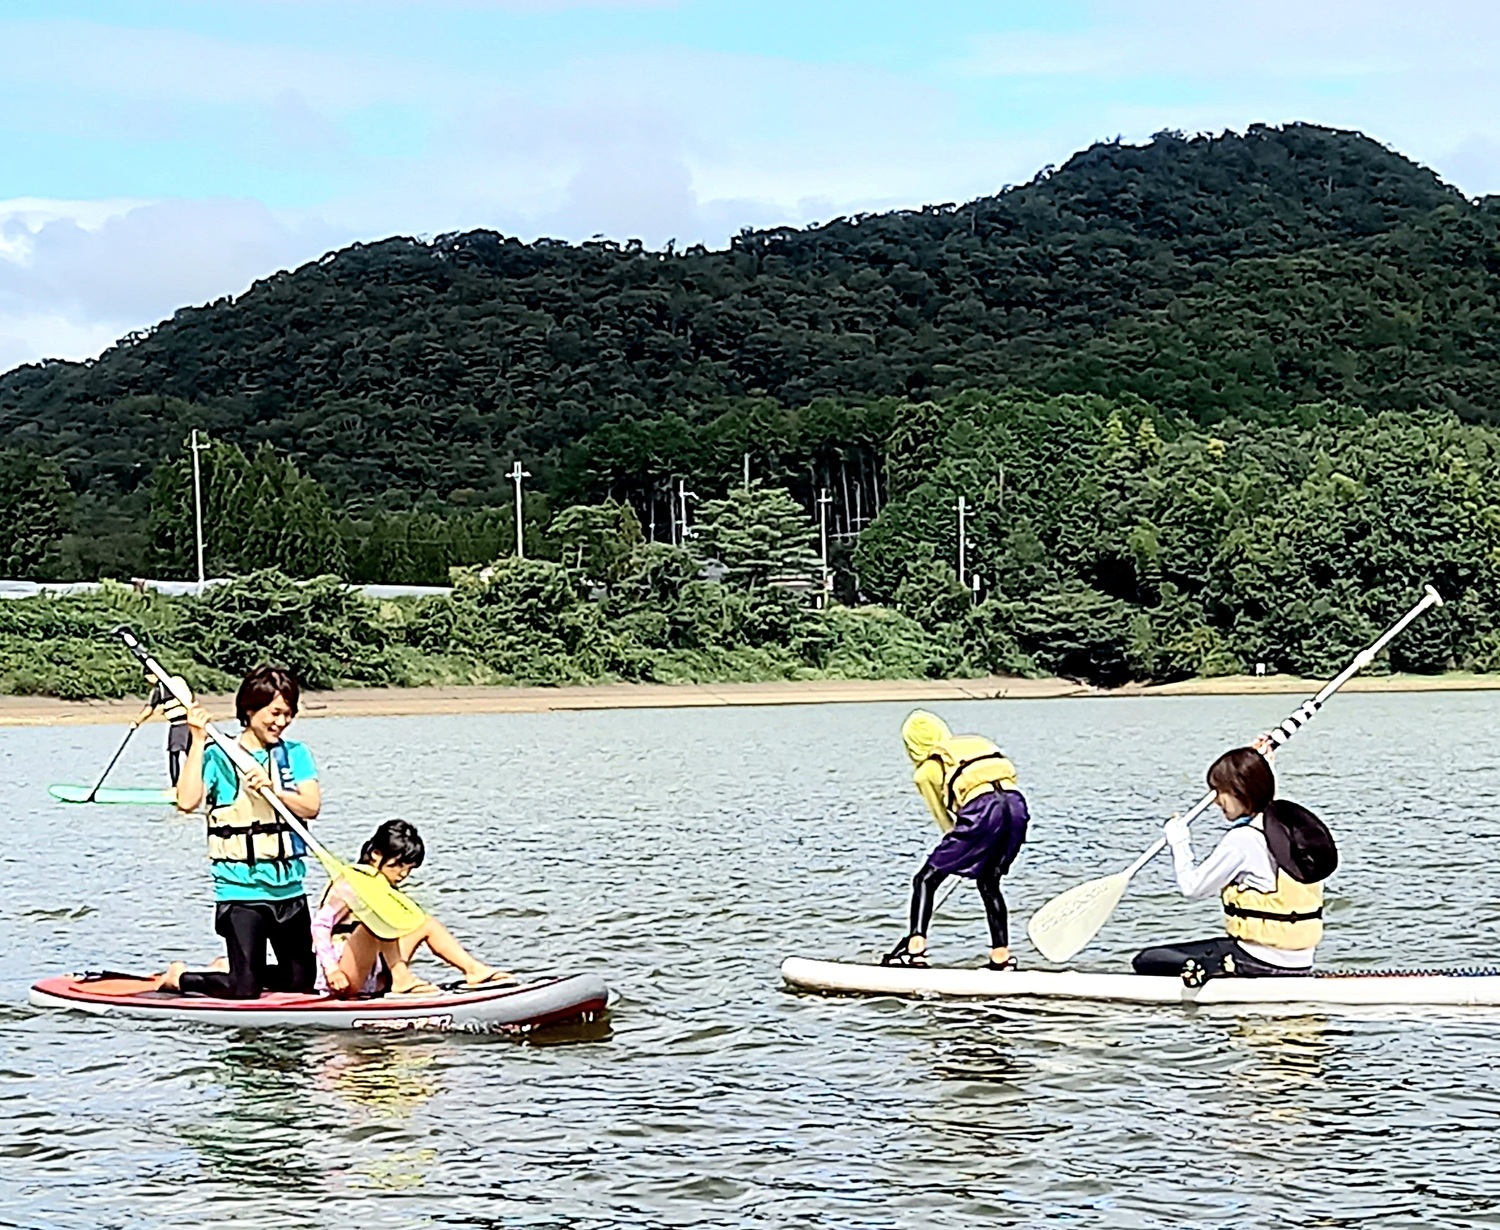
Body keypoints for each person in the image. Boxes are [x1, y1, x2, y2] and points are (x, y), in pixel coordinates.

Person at [159, 665, 321, 999]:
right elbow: (186, 802)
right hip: (241, 891)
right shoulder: (219, 755)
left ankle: (231, 968)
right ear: (249, 710)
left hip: (289, 890)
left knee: (300, 983)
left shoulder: (296, 754)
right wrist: (198, 739)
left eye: (288, 714)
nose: (282, 721)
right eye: (275, 713)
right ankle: (181, 978)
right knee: (245, 990)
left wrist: (275, 789)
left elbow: (311, 806)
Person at [1132, 745, 1338, 985]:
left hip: (1257, 960)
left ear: (1241, 791)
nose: (1216, 801)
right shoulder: (1286, 827)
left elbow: (1192, 888)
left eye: (1220, 792)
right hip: (1300, 961)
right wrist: (1261, 764)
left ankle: (1213, 973)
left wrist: (1179, 842)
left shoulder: (1242, 839)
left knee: (1147, 960)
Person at [884, 710, 1030, 970]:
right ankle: (1001, 958)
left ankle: (914, 951)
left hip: (982, 810)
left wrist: (962, 853)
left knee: (925, 879)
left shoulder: (926, 772)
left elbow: (946, 823)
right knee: (989, 882)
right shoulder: (975, 743)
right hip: (1017, 807)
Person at [312, 820, 508, 997]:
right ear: (376, 854)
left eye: (409, 868)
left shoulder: (383, 885)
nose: (403, 874)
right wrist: (332, 970)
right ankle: (401, 979)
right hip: (345, 975)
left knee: (426, 924)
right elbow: (320, 926)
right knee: (378, 921)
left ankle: (473, 970)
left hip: (378, 968)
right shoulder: (350, 883)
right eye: (398, 865)